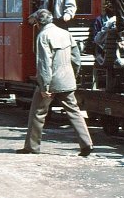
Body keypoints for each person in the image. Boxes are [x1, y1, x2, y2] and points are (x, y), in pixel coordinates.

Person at [16, 9, 93, 156]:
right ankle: (86, 144)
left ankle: (32, 147)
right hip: (67, 79)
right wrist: (73, 75)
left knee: (38, 113)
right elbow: (76, 58)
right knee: (74, 112)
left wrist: (44, 86)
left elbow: (44, 64)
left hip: (51, 82)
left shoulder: (43, 36)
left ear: (38, 23)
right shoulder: (65, 33)